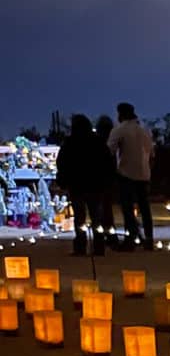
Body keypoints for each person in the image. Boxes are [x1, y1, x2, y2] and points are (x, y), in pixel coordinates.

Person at [55, 114, 116, 255]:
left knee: (80, 217)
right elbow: (108, 163)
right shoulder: (98, 142)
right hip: (96, 186)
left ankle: (80, 247)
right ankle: (99, 246)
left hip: (77, 186)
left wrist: (64, 181)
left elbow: (62, 163)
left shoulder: (70, 143)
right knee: (96, 217)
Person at [107, 102, 155, 248]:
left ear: (120, 114)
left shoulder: (119, 130)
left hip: (126, 173)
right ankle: (148, 238)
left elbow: (109, 150)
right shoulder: (145, 131)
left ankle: (131, 238)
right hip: (144, 173)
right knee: (145, 207)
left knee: (127, 208)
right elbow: (152, 154)